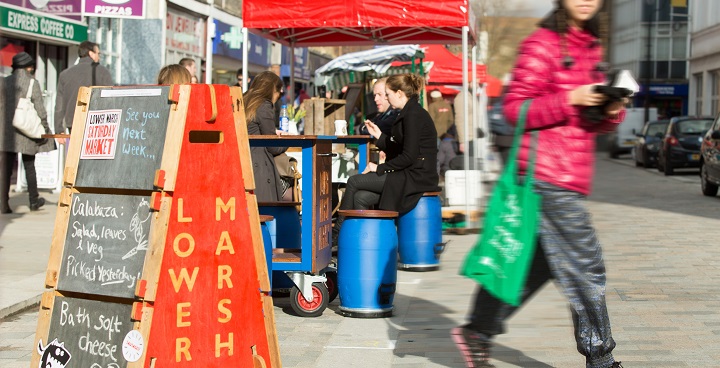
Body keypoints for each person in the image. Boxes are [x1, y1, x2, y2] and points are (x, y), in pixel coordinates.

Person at [451, 1, 626, 368]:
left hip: (570, 175)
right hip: (546, 174)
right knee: (586, 267)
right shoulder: (543, 43)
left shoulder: (592, 48)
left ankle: (479, 328)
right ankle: (601, 359)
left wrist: (611, 111)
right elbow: (514, 109)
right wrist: (571, 99)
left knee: (548, 263)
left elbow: (589, 124)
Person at [333, 73, 440, 243]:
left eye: (388, 94)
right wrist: (380, 137)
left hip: (416, 176)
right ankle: (364, 242)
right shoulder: (408, 112)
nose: (388, 100)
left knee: (354, 181)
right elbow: (401, 147)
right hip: (410, 173)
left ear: (399, 93)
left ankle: (337, 236)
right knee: (361, 197)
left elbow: (409, 156)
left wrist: (379, 168)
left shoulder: (412, 115)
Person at [1, 52, 56, 213]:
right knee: (30, 166)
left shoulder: (4, 82)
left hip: (6, 132)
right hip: (26, 130)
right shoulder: (32, 83)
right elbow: (40, 109)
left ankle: (3, 203)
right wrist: (45, 128)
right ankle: (33, 201)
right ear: (29, 67)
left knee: (5, 168)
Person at [243, 71, 288, 201]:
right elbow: (272, 147)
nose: (279, 96)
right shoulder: (264, 105)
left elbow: (253, 127)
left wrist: (273, 132)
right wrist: (286, 141)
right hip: (259, 169)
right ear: (273, 90)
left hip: (242, 163)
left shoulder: (243, 100)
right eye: (280, 92)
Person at [54, 41, 113, 138]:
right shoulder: (103, 72)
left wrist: (58, 129)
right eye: (98, 53)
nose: (99, 57)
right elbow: (111, 99)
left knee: (75, 152)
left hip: (73, 123)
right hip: (97, 123)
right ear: (91, 53)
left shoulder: (65, 74)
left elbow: (59, 105)